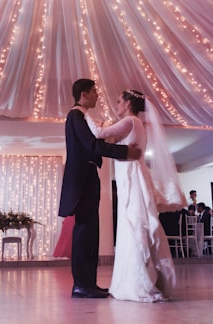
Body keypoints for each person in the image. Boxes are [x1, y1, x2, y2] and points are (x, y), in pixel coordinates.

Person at [84, 89, 187, 302]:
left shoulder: (130, 121)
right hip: (129, 176)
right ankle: (141, 278)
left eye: (119, 101)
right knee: (132, 225)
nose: (117, 105)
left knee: (134, 225)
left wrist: (84, 112)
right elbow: (110, 140)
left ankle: (140, 281)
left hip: (131, 178)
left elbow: (98, 134)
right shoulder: (135, 124)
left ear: (129, 103)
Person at [58, 79, 142, 299]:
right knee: (85, 231)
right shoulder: (76, 115)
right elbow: (92, 145)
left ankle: (88, 283)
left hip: (88, 176)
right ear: (84, 94)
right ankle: (81, 285)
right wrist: (125, 153)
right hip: (82, 178)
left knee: (90, 231)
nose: (97, 96)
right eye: (94, 92)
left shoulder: (81, 116)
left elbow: (94, 143)